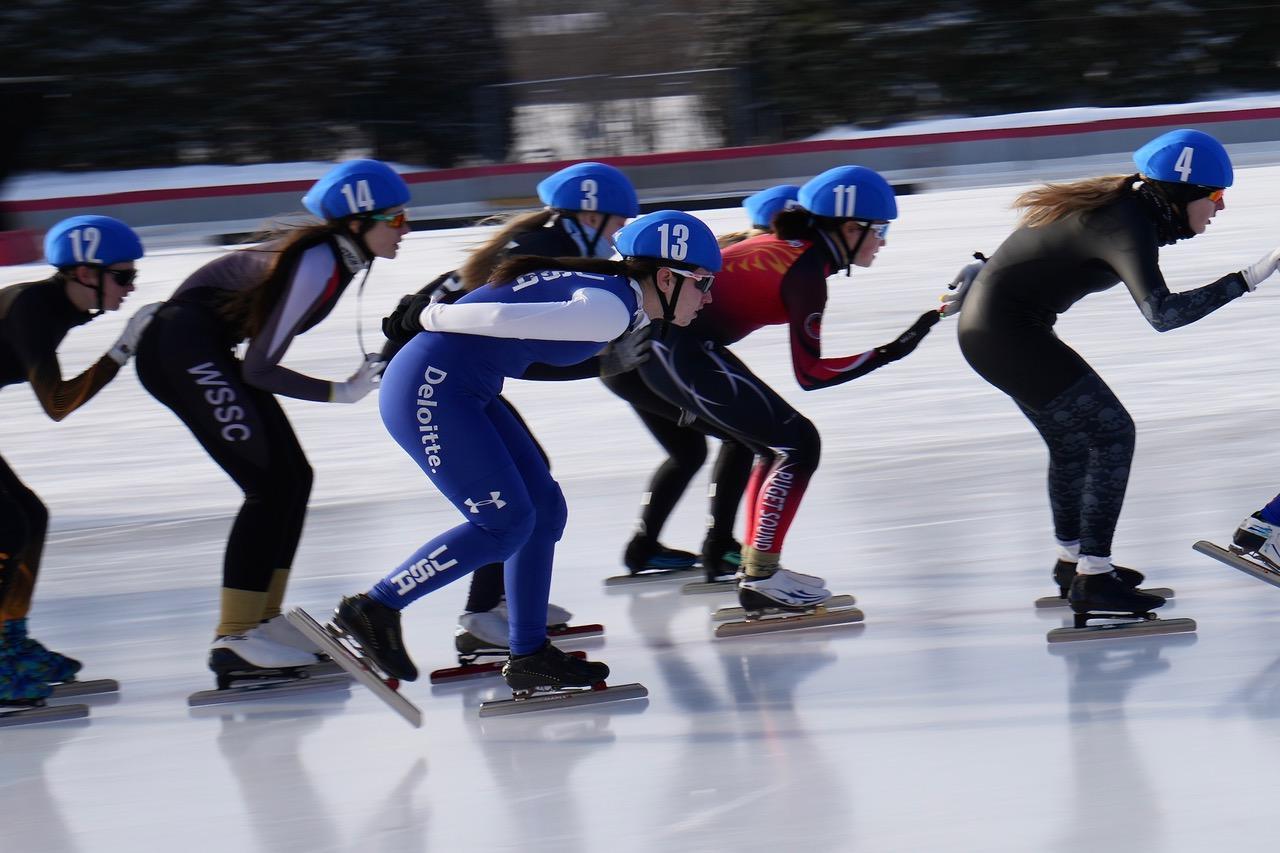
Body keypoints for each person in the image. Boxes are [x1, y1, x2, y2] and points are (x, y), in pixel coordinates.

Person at [328, 209, 720, 693]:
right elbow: (496, 317)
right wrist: (427, 315)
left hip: (461, 388)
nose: (708, 296)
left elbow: (517, 335)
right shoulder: (610, 307)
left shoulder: (615, 297)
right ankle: (376, 606)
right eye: (703, 282)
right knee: (504, 524)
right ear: (666, 277)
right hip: (431, 391)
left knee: (543, 510)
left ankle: (529, 652)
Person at [953, 128, 1276, 619]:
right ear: (1181, 192)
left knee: (1071, 444)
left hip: (992, 331)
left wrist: (986, 270)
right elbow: (1163, 314)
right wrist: (1250, 277)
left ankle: (1073, 566)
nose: (1221, 207)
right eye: (1215, 196)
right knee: (1113, 433)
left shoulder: (1127, 207)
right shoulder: (1127, 221)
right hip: (1005, 334)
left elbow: (1037, 250)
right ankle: (1095, 578)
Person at [134, 159, 411, 688]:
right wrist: (339, 391)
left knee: (293, 478)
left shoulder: (336, 258)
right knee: (268, 486)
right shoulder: (318, 261)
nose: (406, 228)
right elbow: (260, 368)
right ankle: (236, 635)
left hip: (198, 348)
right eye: (396, 218)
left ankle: (262, 619)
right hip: (181, 351)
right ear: (357, 222)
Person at [623, 165, 940, 611]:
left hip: (674, 345)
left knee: (774, 445)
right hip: (672, 347)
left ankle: (758, 570)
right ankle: (760, 576)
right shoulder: (806, 271)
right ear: (851, 228)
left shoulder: (794, 250)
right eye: (880, 230)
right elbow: (812, 375)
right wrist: (892, 350)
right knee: (798, 443)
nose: (883, 242)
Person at [378, 161, 640, 658]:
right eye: (618, 224)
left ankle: (506, 609)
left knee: (534, 492)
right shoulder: (544, 248)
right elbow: (520, 344)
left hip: (456, 369)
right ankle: (480, 612)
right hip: (433, 370)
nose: (618, 238)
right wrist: (602, 364)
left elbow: (520, 348)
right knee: (507, 508)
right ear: (590, 218)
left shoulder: (552, 244)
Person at [0, 215, 155, 705]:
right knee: (8, 527)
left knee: (30, 517)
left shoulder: (55, 306)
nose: (131, 287)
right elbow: (58, 403)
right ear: (85, 273)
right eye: (123, 276)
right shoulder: (34, 308)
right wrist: (123, 348)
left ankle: (10, 641)